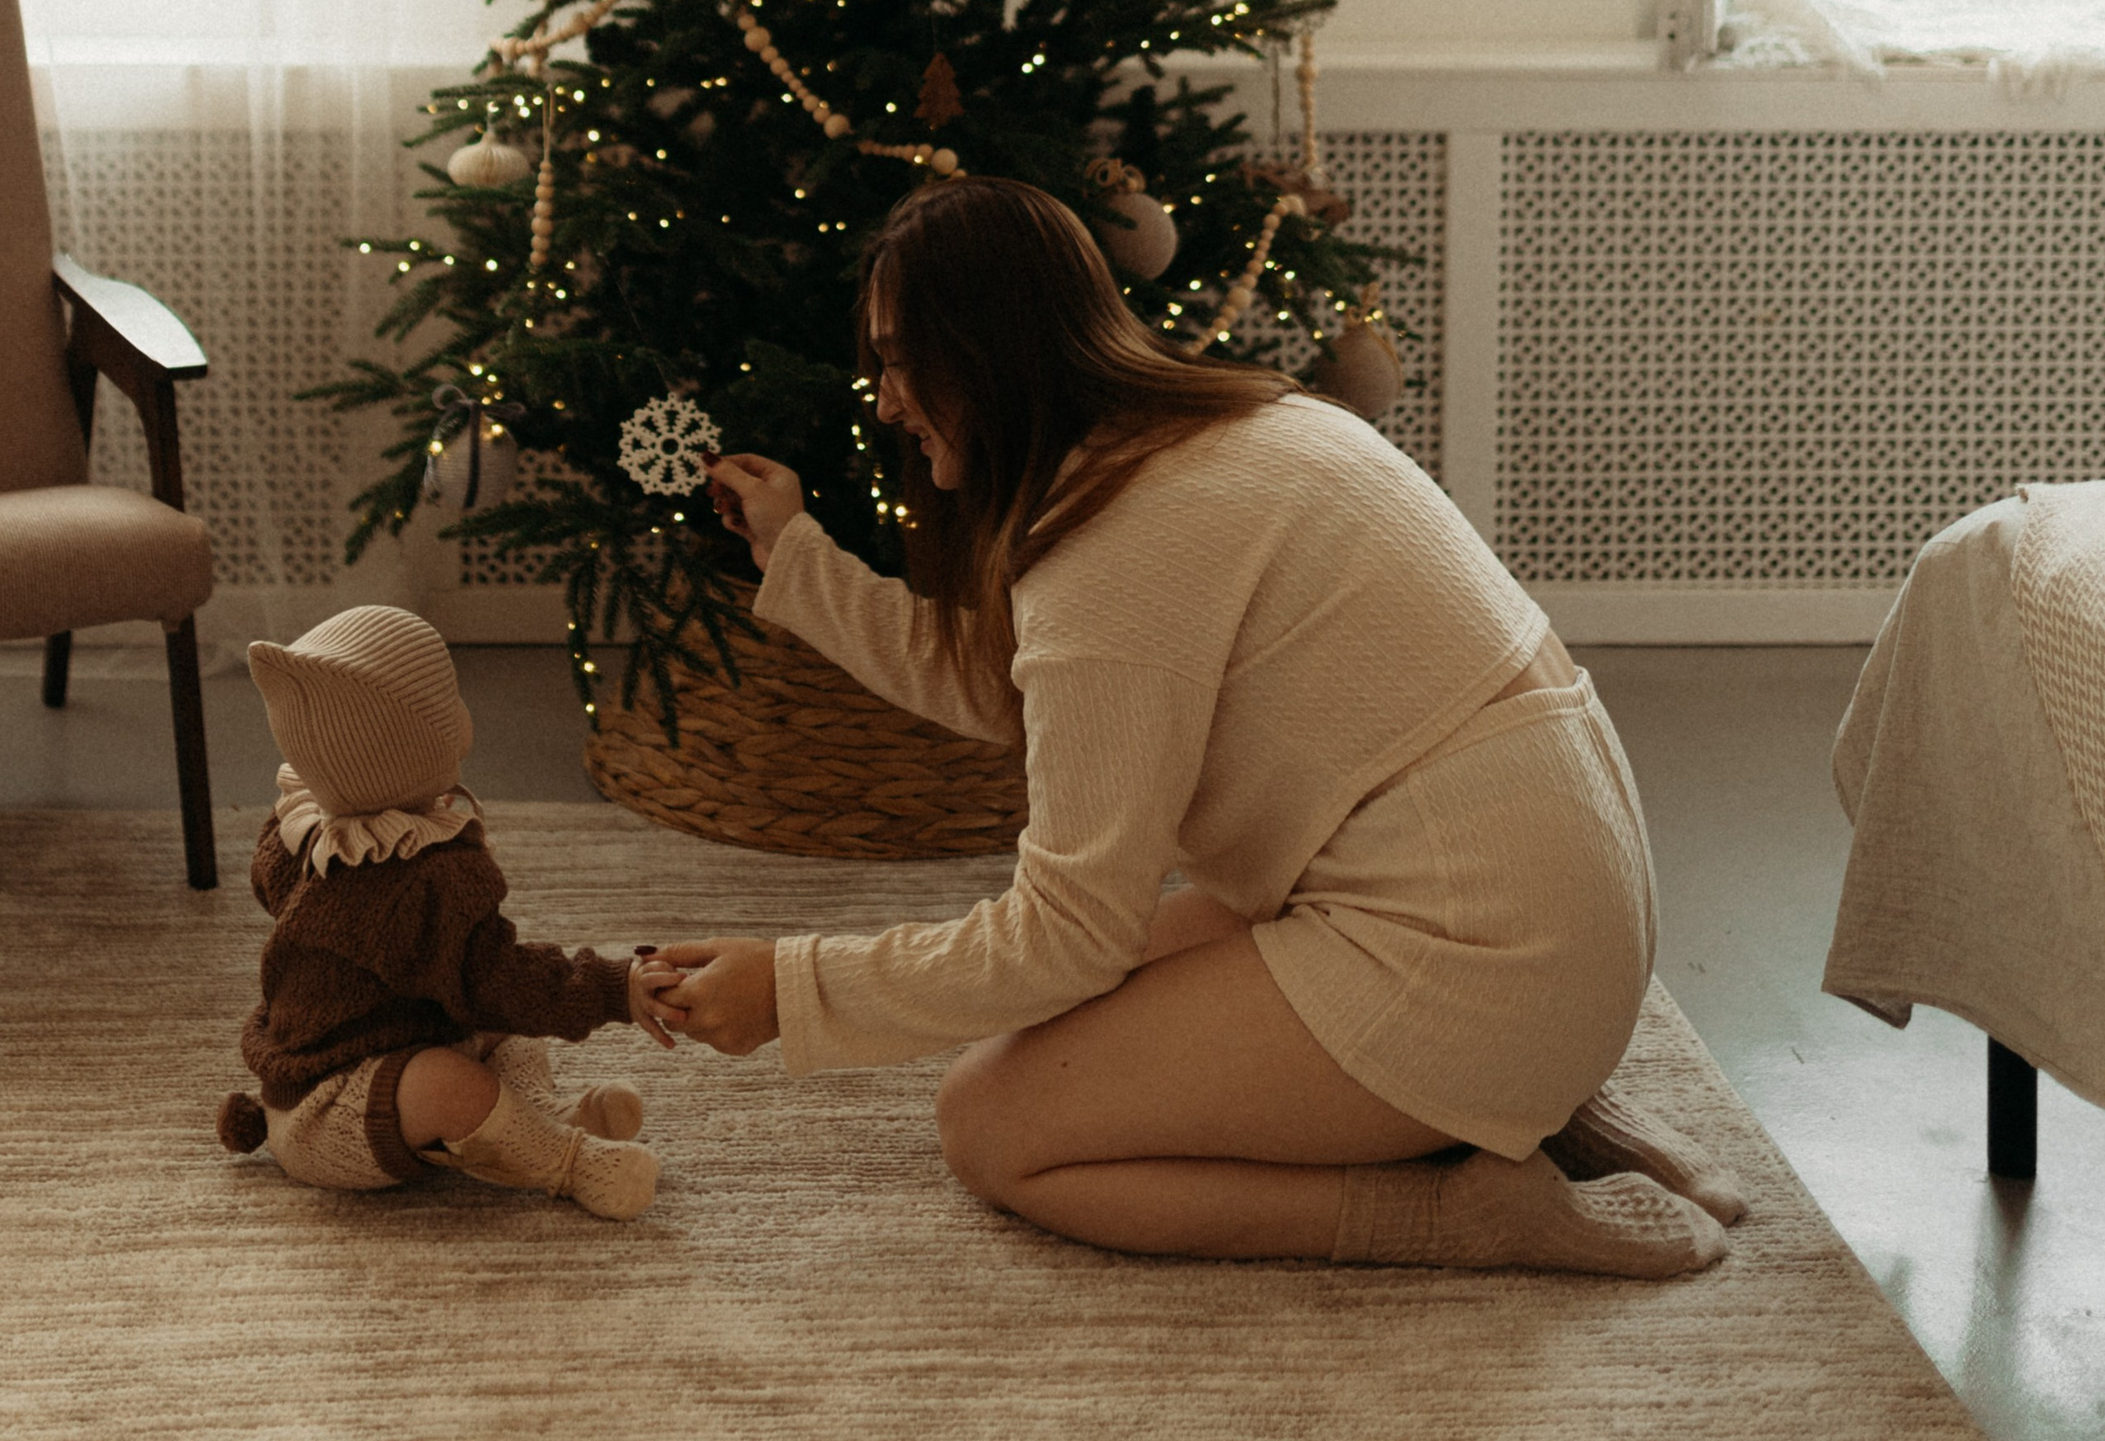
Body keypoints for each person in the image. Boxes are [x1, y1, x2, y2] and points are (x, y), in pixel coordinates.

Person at [650, 176, 1743, 1273]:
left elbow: (1064, 934)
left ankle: (1461, 1206)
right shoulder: (1240, 423)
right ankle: (1540, 1097)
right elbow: (1025, 691)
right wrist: (795, 555)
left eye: (898, 361)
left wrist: (792, 988)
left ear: (985, 354)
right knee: (1067, 1017)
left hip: (1489, 964)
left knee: (994, 1122)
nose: (886, 402)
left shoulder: (1115, 547)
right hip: (1560, 916)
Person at [214, 603, 678, 1219]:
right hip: (329, 1110)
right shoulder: (422, 879)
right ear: (430, 741)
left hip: (381, 1041)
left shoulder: (302, 827)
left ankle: (541, 1116)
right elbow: (502, 980)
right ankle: (567, 1161)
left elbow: (271, 887)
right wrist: (615, 988)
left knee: (506, 1031)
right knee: (451, 1076)